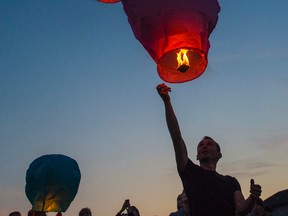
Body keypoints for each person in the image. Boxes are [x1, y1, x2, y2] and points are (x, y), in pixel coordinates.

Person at [156, 83, 262, 216]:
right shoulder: (190, 173)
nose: (204, 146)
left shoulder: (231, 182)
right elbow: (176, 138)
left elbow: (240, 209)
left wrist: (252, 198)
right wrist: (167, 101)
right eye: (201, 145)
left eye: (209, 144)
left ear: (219, 154)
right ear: (197, 156)